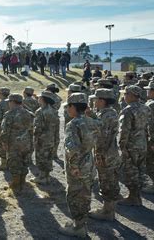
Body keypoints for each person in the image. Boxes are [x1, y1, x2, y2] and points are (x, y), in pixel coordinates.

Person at [59, 93, 99, 238]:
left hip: (78, 166)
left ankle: (79, 227)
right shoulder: (92, 121)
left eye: (68, 106)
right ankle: (81, 223)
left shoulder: (73, 124)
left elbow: (72, 148)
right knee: (85, 192)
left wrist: (74, 166)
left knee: (75, 194)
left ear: (73, 107)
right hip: (89, 162)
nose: (67, 110)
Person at [88, 89, 121, 221]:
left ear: (102, 100)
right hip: (111, 151)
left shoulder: (105, 115)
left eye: (96, 99)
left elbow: (102, 137)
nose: (94, 102)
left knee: (106, 182)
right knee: (111, 180)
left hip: (105, 153)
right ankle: (108, 209)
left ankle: (108, 212)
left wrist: (99, 155)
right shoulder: (109, 112)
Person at [117, 85, 150, 206]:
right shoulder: (145, 108)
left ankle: (133, 197)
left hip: (131, 145)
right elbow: (147, 127)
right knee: (140, 169)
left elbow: (124, 131)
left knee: (130, 171)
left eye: (125, 94)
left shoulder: (128, 110)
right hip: (142, 143)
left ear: (132, 95)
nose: (124, 96)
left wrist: (122, 146)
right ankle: (137, 196)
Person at [0, 93, 34, 193]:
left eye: (9, 102)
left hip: (13, 143)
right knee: (24, 161)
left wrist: (4, 142)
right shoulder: (29, 113)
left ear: (12, 102)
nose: (8, 104)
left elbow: (5, 130)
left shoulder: (9, 114)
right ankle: (22, 183)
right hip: (26, 142)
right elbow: (32, 129)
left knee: (14, 163)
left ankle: (15, 185)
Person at [31, 91, 60, 184]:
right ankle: (47, 176)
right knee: (48, 157)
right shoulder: (53, 110)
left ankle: (42, 177)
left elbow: (38, 127)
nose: (38, 98)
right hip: (51, 138)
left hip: (42, 139)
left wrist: (35, 137)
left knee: (41, 157)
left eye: (39, 97)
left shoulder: (40, 111)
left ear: (43, 99)